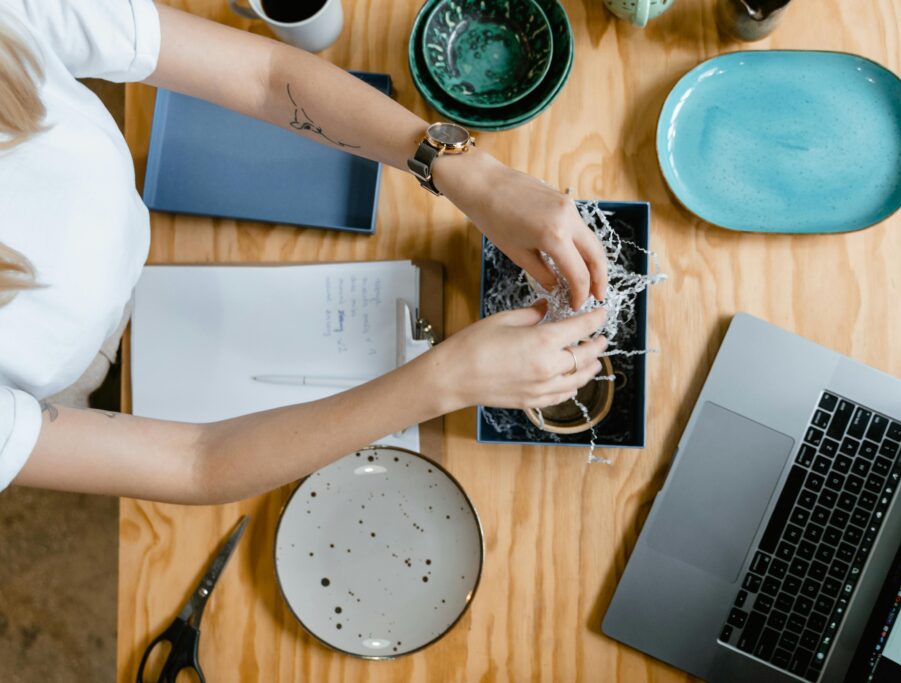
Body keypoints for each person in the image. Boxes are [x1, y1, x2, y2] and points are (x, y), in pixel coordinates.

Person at [0, 1, 609, 503]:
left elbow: (263, 76)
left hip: (134, 257)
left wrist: (471, 174)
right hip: (57, 377)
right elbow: (195, 463)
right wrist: (447, 380)